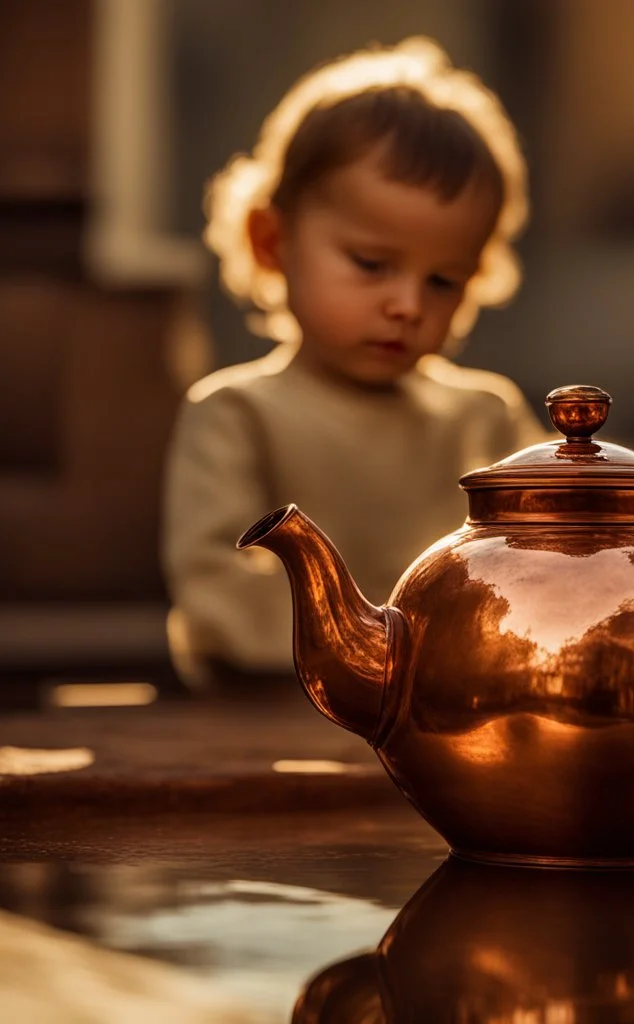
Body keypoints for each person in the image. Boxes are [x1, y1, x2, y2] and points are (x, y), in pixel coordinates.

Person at [161, 37, 548, 690]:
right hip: (258, 718)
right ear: (271, 242)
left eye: (444, 281)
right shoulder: (238, 413)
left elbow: (562, 555)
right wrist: (388, 649)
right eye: (372, 264)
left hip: (449, 718)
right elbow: (217, 590)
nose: (406, 304)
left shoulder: (486, 417)